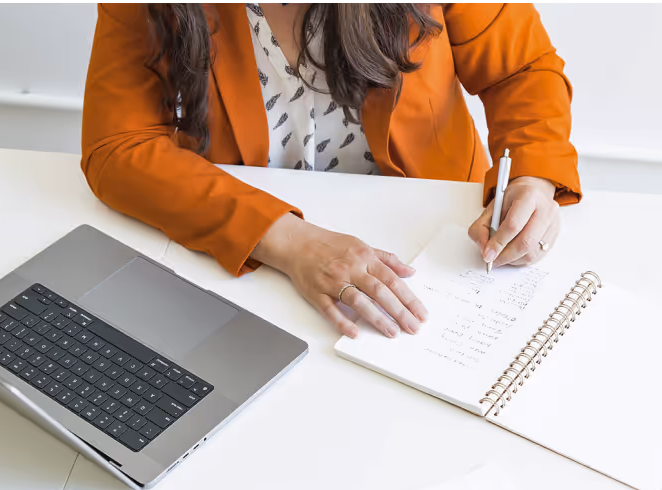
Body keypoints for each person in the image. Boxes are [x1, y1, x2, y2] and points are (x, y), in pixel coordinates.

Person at [83, 3, 580, 338]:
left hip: (436, 245)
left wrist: (532, 176)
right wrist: (291, 241)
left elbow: (521, 69)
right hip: (253, 256)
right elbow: (117, 145)